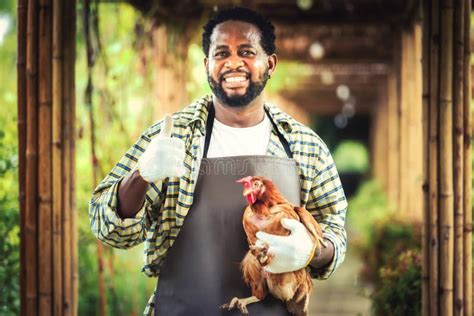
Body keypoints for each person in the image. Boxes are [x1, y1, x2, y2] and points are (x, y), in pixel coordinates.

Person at [89, 6, 347, 316]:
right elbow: (107, 227)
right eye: (222, 53)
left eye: (247, 52)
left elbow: (334, 229)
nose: (233, 63)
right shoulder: (173, 135)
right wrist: (140, 175)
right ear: (207, 64)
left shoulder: (305, 146)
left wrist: (311, 250)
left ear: (270, 63)